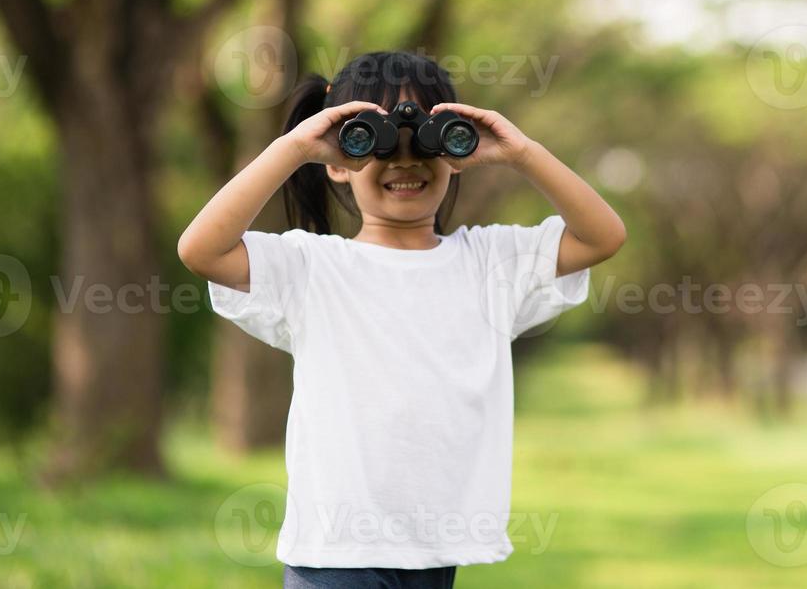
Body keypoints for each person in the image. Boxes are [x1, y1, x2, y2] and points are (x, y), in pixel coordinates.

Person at [177, 50, 627, 588]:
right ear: (340, 160)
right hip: (337, 554)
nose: (404, 160)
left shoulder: (490, 264)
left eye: (425, 139)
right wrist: (295, 148)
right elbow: (201, 249)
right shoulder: (312, 267)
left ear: (456, 148)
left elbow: (603, 236)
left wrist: (521, 152)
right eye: (378, 140)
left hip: (436, 551)